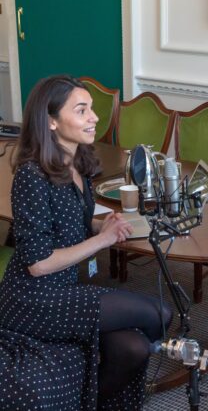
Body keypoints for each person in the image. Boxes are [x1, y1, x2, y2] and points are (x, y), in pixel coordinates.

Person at [0, 75, 172, 410]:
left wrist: (97, 224)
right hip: (34, 299)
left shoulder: (79, 162)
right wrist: (102, 241)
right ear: (51, 121)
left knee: (133, 348)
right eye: (82, 111)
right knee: (160, 314)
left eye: (91, 108)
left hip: (63, 288)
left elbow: (72, 218)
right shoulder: (31, 177)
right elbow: (38, 264)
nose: (94, 117)